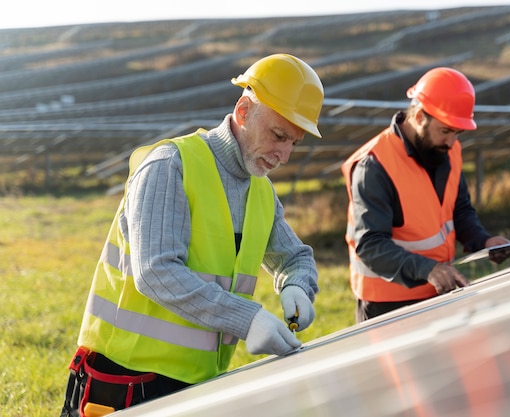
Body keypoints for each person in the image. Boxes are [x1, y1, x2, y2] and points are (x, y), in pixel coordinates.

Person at [60, 53, 324, 416]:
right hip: (125, 384)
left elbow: (294, 257)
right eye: (278, 135)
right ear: (244, 111)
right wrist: (246, 318)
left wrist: (297, 284)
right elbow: (156, 272)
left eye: (294, 142)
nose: (284, 155)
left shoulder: (260, 191)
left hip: (199, 384)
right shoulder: (170, 166)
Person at [341, 67, 510, 323]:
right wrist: (427, 269)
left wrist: (483, 242)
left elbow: (460, 209)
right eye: (445, 131)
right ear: (420, 116)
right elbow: (371, 245)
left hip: (439, 289)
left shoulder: (448, 151)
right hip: (387, 307)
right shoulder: (374, 165)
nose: (452, 142)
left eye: (457, 133)